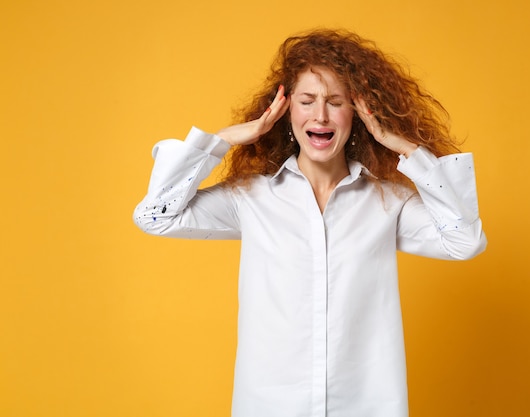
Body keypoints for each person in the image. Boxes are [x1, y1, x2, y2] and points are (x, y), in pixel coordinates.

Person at [134, 29, 486, 417]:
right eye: (307, 101)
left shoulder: (388, 201)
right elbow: (155, 216)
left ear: (359, 113)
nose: (320, 115)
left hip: (365, 405)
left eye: (336, 102)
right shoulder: (250, 197)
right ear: (286, 112)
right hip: (270, 406)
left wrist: (404, 146)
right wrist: (224, 140)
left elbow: (464, 241)